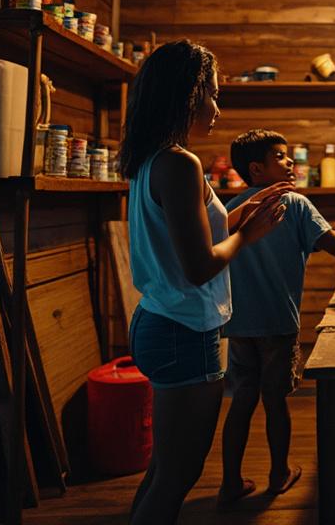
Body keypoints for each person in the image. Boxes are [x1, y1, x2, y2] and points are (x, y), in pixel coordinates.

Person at [120, 40, 293, 525]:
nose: (218, 108)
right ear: (188, 95)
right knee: (179, 474)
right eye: (213, 94)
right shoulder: (180, 163)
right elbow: (199, 265)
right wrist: (251, 236)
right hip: (182, 332)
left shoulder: (152, 159)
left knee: (163, 467)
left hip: (159, 320)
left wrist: (243, 214)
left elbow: (194, 236)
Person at [217, 130, 335, 508]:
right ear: (256, 168)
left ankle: (229, 482)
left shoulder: (231, 206)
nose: (290, 162)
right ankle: (278, 473)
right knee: (276, 399)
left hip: (239, 323)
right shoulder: (295, 202)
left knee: (242, 400)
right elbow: (334, 246)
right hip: (279, 322)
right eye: (280, 157)